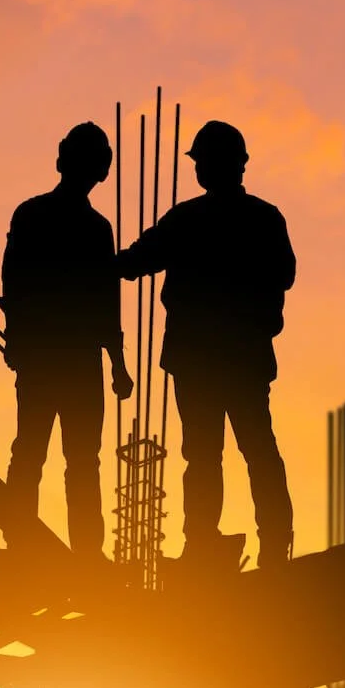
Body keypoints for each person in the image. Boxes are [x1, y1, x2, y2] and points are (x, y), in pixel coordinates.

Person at [117, 120, 296, 569]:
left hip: (199, 357)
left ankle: (201, 541)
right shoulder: (264, 218)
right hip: (242, 355)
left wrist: (90, 263)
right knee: (256, 447)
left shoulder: (189, 219)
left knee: (203, 454)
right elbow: (285, 274)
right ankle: (274, 541)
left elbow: (135, 262)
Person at [1, 122, 133, 557]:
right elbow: (104, 302)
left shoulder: (32, 215)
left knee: (34, 453)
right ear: (101, 171)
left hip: (47, 357)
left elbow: (15, 283)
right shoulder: (95, 228)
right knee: (78, 462)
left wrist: (18, 341)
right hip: (74, 361)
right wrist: (117, 364)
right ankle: (84, 556)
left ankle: (24, 544)